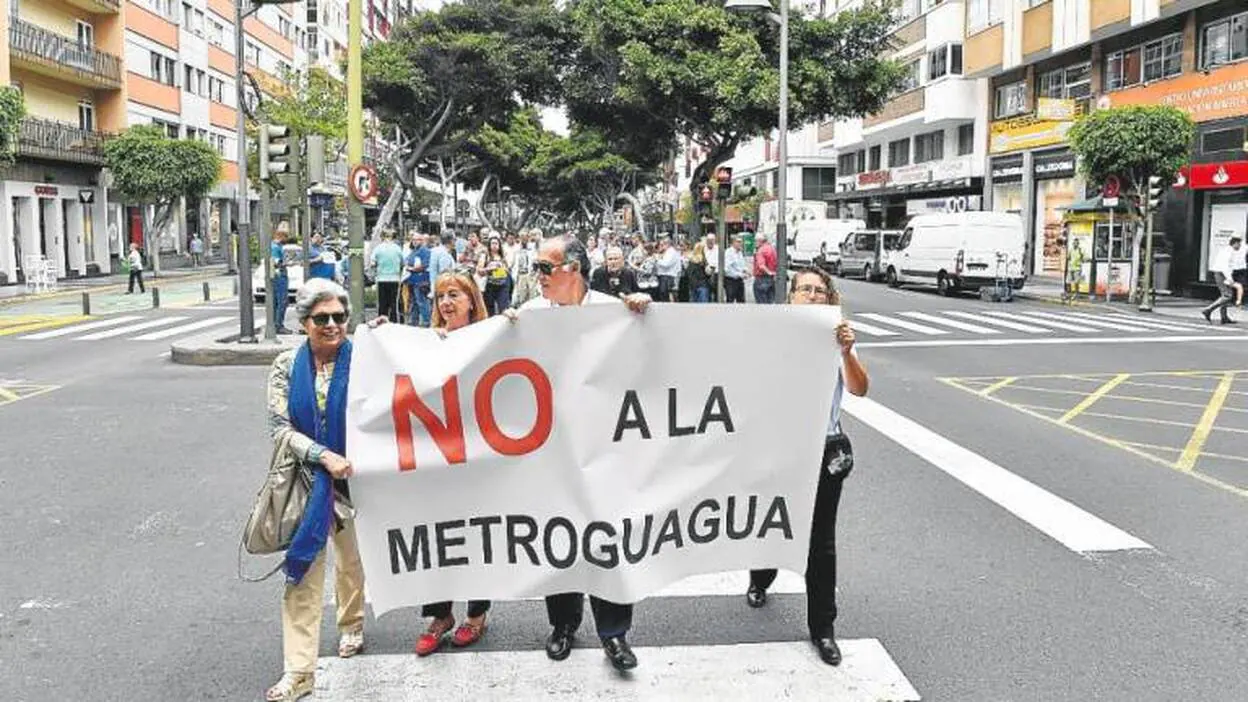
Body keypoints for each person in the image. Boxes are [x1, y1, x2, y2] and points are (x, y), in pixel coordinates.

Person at [516, 234, 651, 671]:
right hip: (550, 451)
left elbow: (651, 361)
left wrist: (645, 314)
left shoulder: (615, 311)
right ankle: (563, 625)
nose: (537, 276)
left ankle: (615, 634)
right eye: (536, 267)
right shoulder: (529, 316)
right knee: (559, 539)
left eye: (544, 268)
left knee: (606, 541)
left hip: (605, 449)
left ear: (573, 269)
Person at [745, 266, 869, 667]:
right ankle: (760, 576)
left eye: (820, 291)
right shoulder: (773, 336)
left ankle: (823, 630)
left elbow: (859, 388)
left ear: (830, 299)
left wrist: (848, 352)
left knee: (821, 543)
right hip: (781, 448)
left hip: (824, 450)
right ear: (791, 296)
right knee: (772, 521)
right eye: (805, 290)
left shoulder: (838, 339)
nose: (813, 296)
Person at [264, 279, 366, 701]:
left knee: (352, 561)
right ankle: (300, 670)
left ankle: (352, 623)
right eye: (321, 318)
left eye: (339, 317)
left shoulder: (364, 358)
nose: (331, 325)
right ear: (304, 323)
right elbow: (279, 428)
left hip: (357, 479)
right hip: (308, 481)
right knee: (303, 573)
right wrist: (323, 456)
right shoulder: (286, 365)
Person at [410, 269, 495, 656]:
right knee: (437, 532)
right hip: (439, 457)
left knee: (479, 533)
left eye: (454, 295)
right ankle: (440, 614)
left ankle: (476, 614)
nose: (446, 302)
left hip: (480, 456)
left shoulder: (493, 336)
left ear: (471, 300)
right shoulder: (425, 342)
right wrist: (379, 335)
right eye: (440, 295)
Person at [1202, 236, 1242, 325]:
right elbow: (1225, 266)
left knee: (1224, 296)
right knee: (1228, 296)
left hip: (1220, 273)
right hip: (1222, 274)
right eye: (1239, 244)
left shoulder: (1226, 250)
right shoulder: (1229, 252)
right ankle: (1208, 310)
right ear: (1235, 243)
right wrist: (1229, 278)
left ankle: (1224, 317)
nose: (1239, 246)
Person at [370, 232, 405, 323]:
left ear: (382, 237)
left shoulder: (378, 248)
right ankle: (394, 322)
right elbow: (403, 263)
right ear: (393, 238)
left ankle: (382, 322)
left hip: (381, 279)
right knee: (394, 303)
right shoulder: (397, 249)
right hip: (395, 279)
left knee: (382, 303)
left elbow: (372, 263)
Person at [478, 235, 513, 315]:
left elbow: (508, 269)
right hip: (490, 286)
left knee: (503, 308)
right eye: (492, 243)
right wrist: (490, 269)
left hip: (503, 285)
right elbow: (479, 270)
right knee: (489, 310)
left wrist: (503, 269)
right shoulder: (485, 256)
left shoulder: (503, 257)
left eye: (496, 243)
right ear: (489, 245)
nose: (494, 245)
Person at [404, 234, 432, 326]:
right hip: (412, 280)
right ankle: (413, 321)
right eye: (413, 240)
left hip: (421, 280)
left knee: (422, 302)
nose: (415, 241)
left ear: (422, 240)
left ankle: (426, 322)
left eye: (417, 240)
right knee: (414, 302)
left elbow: (425, 265)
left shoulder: (425, 251)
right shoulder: (413, 251)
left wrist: (412, 269)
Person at [271, 223, 292, 334]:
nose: (286, 239)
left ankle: (275, 324)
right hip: (279, 276)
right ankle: (278, 325)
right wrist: (286, 263)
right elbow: (276, 262)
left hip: (278, 276)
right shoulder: (275, 247)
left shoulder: (276, 246)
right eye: (286, 236)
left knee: (276, 302)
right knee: (282, 301)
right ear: (281, 236)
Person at [753, 232, 777, 304]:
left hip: (761, 279)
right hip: (771, 280)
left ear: (760, 241)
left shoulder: (761, 251)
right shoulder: (772, 249)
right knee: (770, 302)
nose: (755, 243)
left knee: (762, 304)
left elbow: (761, 266)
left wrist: (768, 272)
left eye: (755, 241)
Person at [724, 235, 748, 303]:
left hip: (739, 281)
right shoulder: (728, 253)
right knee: (730, 301)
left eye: (741, 241)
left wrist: (746, 270)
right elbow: (727, 269)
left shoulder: (739, 252)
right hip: (731, 281)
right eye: (738, 241)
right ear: (733, 243)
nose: (741, 243)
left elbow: (741, 265)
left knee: (741, 301)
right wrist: (740, 274)